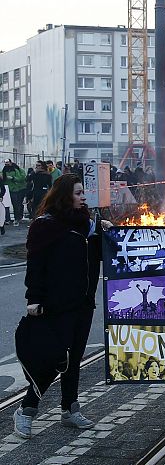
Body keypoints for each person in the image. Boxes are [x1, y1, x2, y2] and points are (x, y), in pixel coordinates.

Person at [13, 173, 112, 439]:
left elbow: (100, 257)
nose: (83, 198)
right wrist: (34, 299)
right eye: (78, 193)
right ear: (64, 195)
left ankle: (69, 408)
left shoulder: (86, 225)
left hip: (83, 302)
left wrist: (105, 234)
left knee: (75, 358)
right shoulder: (45, 226)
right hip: (55, 304)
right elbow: (35, 266)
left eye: (83, 193)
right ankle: (26, 410)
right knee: (56, 359)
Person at [3, 159, 26, 225]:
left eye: (7, 163)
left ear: (11, 162)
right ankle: (7, 219)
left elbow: (22, 178)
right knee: (6, 205)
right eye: (5, 163)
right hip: (7, 189)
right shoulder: (4, 170)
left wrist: (13, 178)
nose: (6, 164)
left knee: (16, 204)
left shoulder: (17, 170)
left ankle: (17, 218)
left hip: (16, 189)